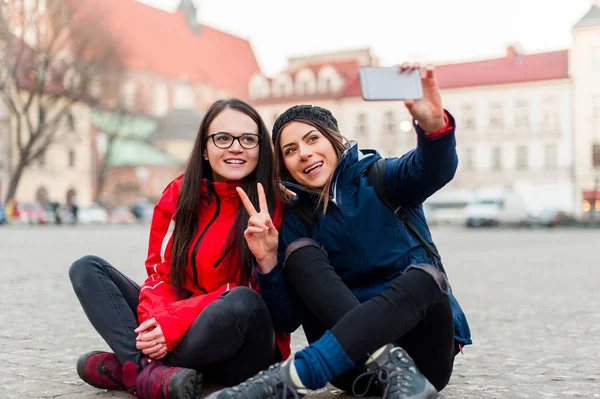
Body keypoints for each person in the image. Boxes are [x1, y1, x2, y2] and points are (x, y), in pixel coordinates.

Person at [208, 64, 472, 399]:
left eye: (312, 139)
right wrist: (269, 261)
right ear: (284, 164)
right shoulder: (293, 220)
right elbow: (286, 319)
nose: (304, 153)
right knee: (300, 253)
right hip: (351, 366)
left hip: (423, 365)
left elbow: (433, 169)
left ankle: (289, 379)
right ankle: (373, 363)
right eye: (290, 150)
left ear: (334, 141)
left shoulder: (382, 179)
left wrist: (434, 131)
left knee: (427, 278)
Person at [69, 99, 290, 399]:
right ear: (204, 147)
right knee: (86, 268)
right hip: (181, 329)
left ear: (260, 148)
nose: (236, 147)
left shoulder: (274, 203)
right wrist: (158, 323)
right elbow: (160, 275)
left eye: (248, 139)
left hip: (242, 346)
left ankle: (131, 371)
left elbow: (255, 296)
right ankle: (151, 374)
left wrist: (173, 324)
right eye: (223, 138)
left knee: (242, 300)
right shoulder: (180, 194)